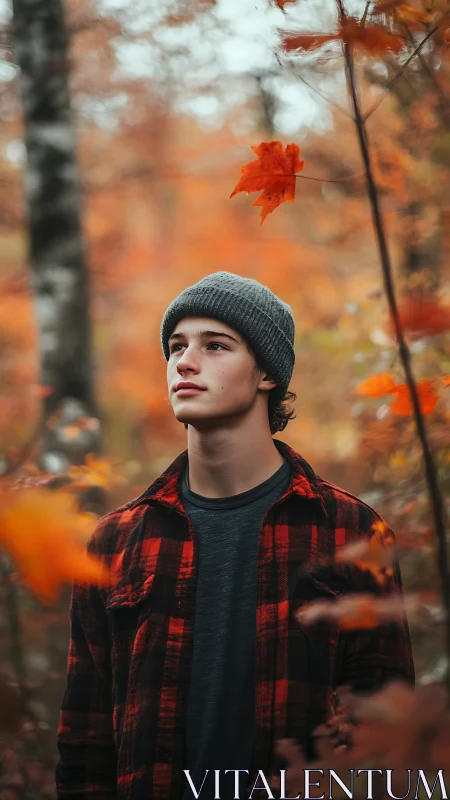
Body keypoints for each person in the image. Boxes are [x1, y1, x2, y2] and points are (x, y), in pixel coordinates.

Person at [55, 271, 415, 800]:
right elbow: (85, 746)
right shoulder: (115, 542)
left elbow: (386, 734)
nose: (185, 361)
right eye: (176, 346)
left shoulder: (349, 530)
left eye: (215, 346)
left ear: (267, 372)